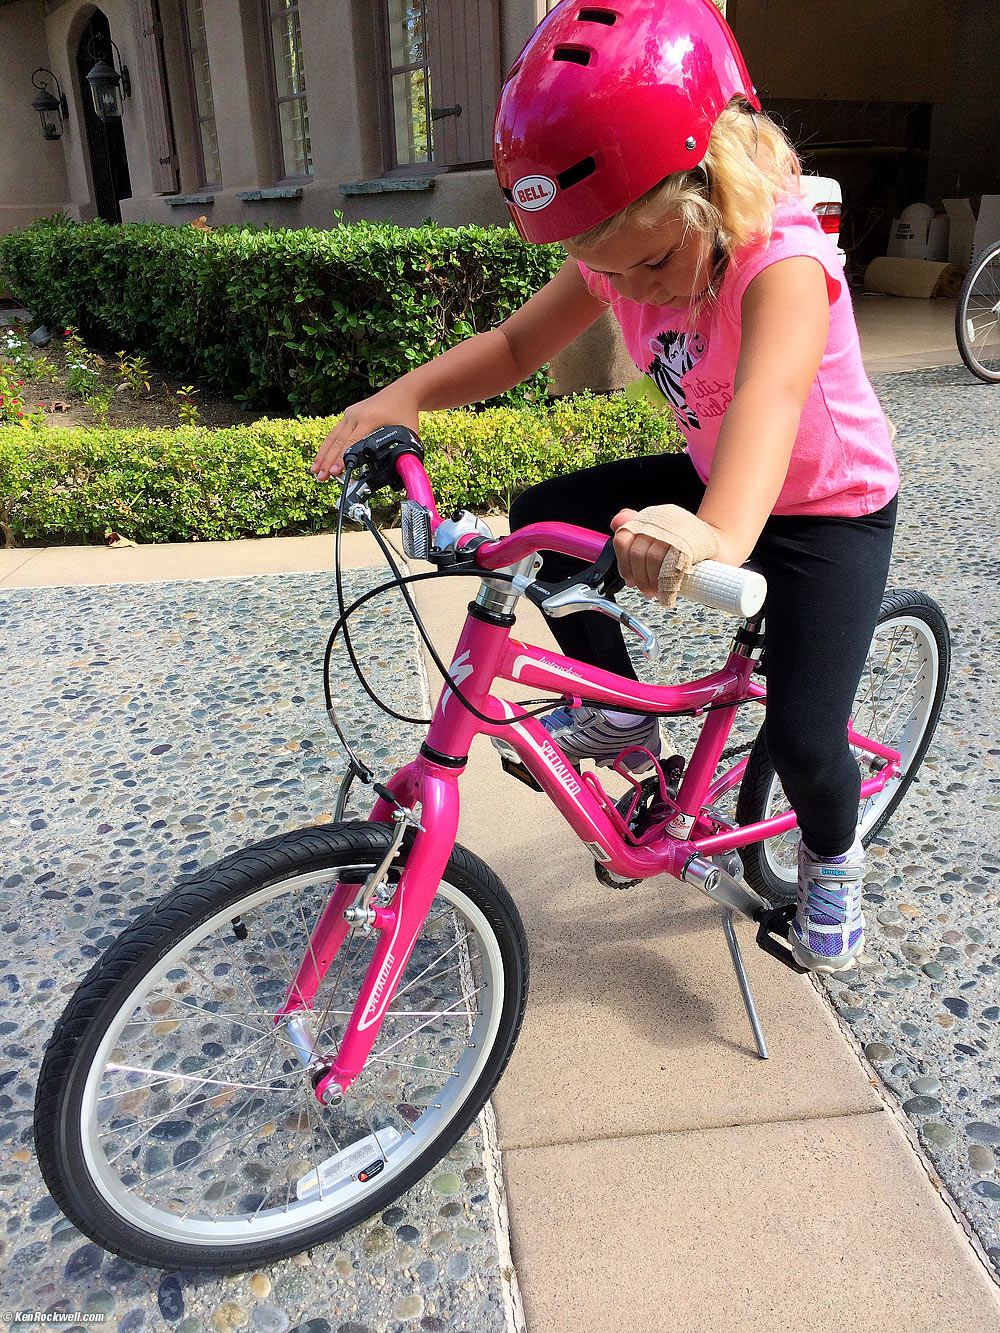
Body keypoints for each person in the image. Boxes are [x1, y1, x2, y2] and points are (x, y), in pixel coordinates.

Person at [310, 0, 899, 975]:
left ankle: (834, 859)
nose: (635, 286)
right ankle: (625, 707)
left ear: (721, 181)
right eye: (601, 266)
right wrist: (400, 396)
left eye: (656, 259)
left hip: (824, 509)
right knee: (546, 513)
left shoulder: (781, 267)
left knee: (802, 737)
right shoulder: (625, 251)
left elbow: (771, 398)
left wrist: (707, 536)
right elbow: (512, 346)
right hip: (719, 486)